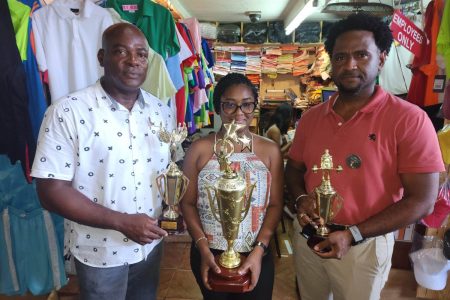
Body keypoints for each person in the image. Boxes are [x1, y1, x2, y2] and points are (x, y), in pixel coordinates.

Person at [285, 13, 444, 300]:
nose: (349, 65)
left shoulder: (409, 120)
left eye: (361, 55)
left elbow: (422, 200)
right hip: (309, 236)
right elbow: (294, 169)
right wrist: (300, 199)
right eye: (340, 56)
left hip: (364, 245)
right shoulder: (310, 119)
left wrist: (355, 233)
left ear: (381, 58)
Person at [31, 23, 175, 300]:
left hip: (150, 246)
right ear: (101, 57)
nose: (133, 61)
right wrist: (121, 222)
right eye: (121, 51)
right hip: (99, 252)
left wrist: (172, 208)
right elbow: (50, 192)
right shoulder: (67, 111)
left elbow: (167, 174)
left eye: (141, 54)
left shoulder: (161, 112)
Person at [180, 73, 283, 300]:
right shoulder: (199, 150)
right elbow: (187, 203)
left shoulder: (269, 151)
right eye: (230, 105)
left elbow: (275, 205)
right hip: (210, 252)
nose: (239, 113)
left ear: (254, 107)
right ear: (218, 108)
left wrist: (259, 250)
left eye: (247, 105)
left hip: (257, 251)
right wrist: (204, 249)